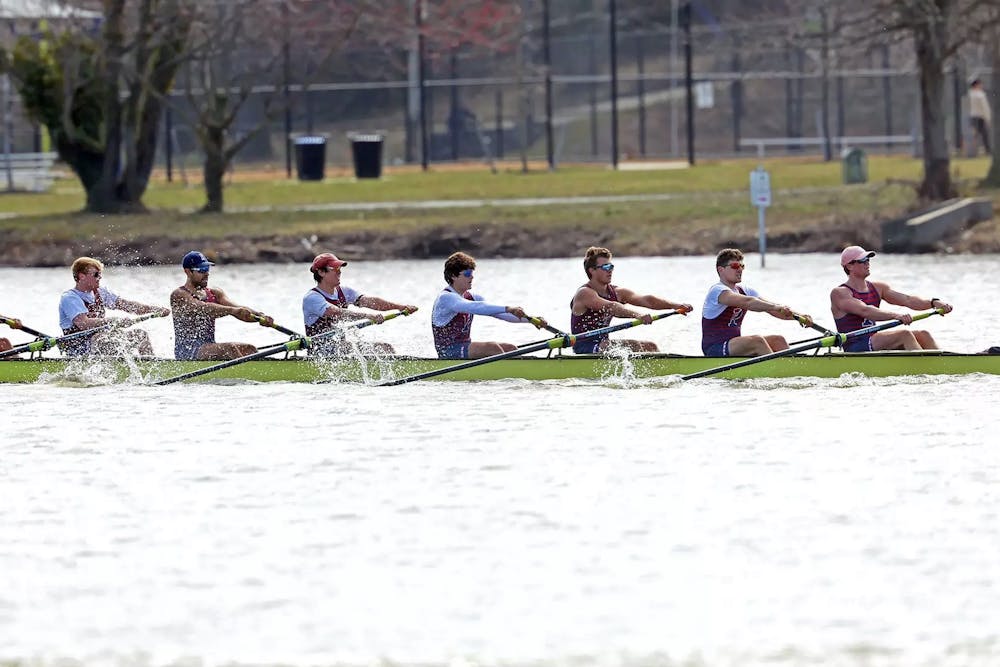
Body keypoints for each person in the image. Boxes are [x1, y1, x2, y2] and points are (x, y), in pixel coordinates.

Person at [570, 246, 692, 354]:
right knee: (629, 346)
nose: (610, 270)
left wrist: (675, 305)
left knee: (650, 347)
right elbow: (611, 307)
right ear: (592, 270)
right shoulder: (584, 293)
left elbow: (647, 300)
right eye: (605, 267)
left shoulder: (617, 292)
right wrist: (638, 315)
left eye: (611, 266)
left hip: (603, 345)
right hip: (585, 347)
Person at [830, 245, 953, 351]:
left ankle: (945, 364)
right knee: (904, 334)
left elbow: (908, 300)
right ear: (850, 266)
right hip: (855, 345)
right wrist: (896, 316)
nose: (867, 263)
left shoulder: (878, 288)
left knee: (924, 335)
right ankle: (929, 368)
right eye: (862, 260)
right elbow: (865, 311)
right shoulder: (840, 293)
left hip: (875, 340)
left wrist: (934, 302)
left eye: (868, 259)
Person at [431, 251, 547, 359]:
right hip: (448, 351)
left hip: (464, 346)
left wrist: (531, 320)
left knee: (511, 348)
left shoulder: (472, 297)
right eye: (467, 273)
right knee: (492, 348)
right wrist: (508, 308)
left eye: (472, 273)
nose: (472, 277)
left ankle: (520, 375)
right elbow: (475, 307)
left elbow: (499, 313)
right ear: (453, 276)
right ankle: (509, 374)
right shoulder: (446, 298)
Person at [701, 248, 813, 357]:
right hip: (715, 348)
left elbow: (774, 310)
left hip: (734, 345)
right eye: (735, 266)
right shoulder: (717, 291)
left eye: (742, 266)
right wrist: (776, 307)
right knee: (757, 341)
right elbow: (749, 303)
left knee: (778, 340)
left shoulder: (745, 290)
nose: (740, 269)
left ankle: (793, 369)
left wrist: (799, 317)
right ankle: (778, 370)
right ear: (721, 270)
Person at [303, 252, 419, 356]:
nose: (339, 272)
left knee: (385, 348)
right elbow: (336, 313)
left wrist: (400, 307)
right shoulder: (312, 298)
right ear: (321, 272)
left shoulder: (344, 291)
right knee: (374, 349)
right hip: (319, 352)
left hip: (340, 348)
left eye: (340, 269)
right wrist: (368, 316)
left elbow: (371, 302)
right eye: (335, 269)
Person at [169, 250, 276, 360]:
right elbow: (203, 308)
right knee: (230, 349)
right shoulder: (179, 295)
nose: (206, 273)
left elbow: (239, 309)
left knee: (250, 349)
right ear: (188, 272)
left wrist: (260, 316)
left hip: (209, 347)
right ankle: (248, 374)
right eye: (202, 270)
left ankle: (257, 374)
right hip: (188, 351)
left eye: (207, 269)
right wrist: (232, 311)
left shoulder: (215, 293)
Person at [57, 257, 170, 357]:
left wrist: (154, 309)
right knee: (102, 338)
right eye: (96, 274)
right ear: (82, 276)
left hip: (99, 342)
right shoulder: (70, 298)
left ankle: (150, 366)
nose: (100, 277)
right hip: (78, 349)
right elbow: (84, 323)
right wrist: (113, 321)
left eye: (100, 274)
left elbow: (127, 305)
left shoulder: (100, 292)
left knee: (140, 335)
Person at [969, 78, 992, 155]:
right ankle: (987, 150)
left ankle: (972, 151)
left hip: (972, 116)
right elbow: (985, 107)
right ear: (976, 85)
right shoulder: (980, 94)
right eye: (980, 84)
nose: (981, 85)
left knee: (975, 135)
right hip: (980, 117)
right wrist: (988, 118)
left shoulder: (970, 94)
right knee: (984, 134)